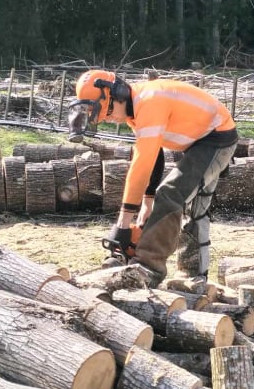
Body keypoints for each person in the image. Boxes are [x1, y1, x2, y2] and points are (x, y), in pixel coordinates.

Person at [67, 69, 238, 286]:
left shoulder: (149, 102)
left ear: (115, 94)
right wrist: (146, 203)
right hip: (201, 140)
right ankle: (195, 276)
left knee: (170, 195)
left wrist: (124, 221)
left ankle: (149, 267)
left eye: (107, 113)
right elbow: (154, 154)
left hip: (217, 138)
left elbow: (142, 163)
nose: (109, 119)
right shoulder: (135, 109)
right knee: (194, 208)